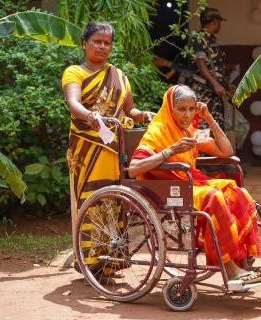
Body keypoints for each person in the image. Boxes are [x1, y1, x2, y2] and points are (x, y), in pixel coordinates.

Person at [129, 85, 261, 282]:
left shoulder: (190, 131)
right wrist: (169, 151)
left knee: (238, 193)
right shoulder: (157, 131)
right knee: (214, 198)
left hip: (190, 183)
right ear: (170, 108)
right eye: (181, 109)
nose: (187, 115)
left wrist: (209, 118)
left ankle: (243, 263)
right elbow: (134, 168)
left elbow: (226, 151)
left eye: (191, 109)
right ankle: (230, 268)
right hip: (169, 189)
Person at [61, 22, 153, 274]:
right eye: (96, 42)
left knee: (114, 199)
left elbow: (129, 110)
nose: (102, 46)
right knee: (90, 200)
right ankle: (89, 262)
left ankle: (112, 259)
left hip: (115, 149)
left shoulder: (119, 75)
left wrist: (143, 114)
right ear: (84, 43)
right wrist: (91, 117)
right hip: (87, 148)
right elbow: (73, 103)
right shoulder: (74, 73)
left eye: (107, 42)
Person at [188, 7, 233, 130]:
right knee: (204, 130)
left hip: (213, 93)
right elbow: (200, 63)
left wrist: (225, 83)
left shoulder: (210, 39)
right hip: (203, 93)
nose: (220, 25)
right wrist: (216, 84)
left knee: (215, 129)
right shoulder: (199, 38)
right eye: (219, 22)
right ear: (214, 22)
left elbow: (214, 67)